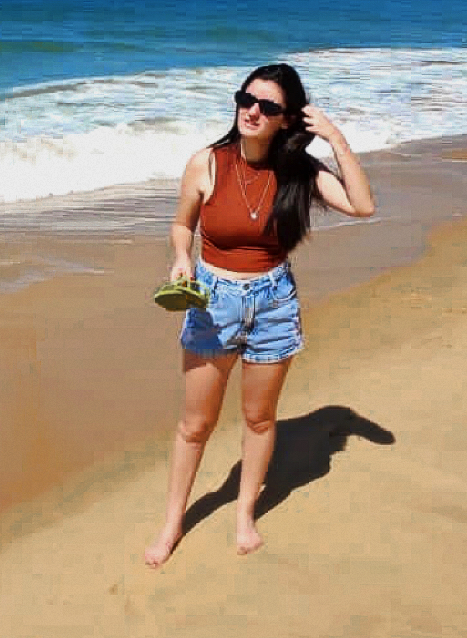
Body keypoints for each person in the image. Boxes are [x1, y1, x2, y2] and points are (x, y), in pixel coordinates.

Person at [143, 62, 376, 567]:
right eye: (245, 99)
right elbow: (183, 224)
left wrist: (334, 137)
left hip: (273, 304)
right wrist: (182, 258)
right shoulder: (207, 162)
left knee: (259, 417)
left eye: (268, 106)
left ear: (287, 120)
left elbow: (362, 206)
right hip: (212, 303)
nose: (252, 111)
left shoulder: (300, 172)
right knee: (195, 424)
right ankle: (172, 522)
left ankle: (245, 514)